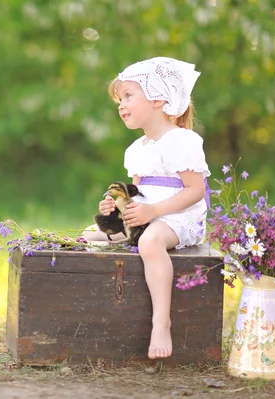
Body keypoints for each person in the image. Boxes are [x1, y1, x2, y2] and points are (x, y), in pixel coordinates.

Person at [83, 57, 210, 359]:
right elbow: (136, 194)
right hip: (148, 216)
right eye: (119, 99)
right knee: (90, 235)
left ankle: (161, 322)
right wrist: (116, 206)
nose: (121, 105)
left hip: (179, 217)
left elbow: (196, 192)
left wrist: (153, 213)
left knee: (151, 241)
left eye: (128, 96)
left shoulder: (182, 141)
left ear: (158, 98)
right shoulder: (136, 150)